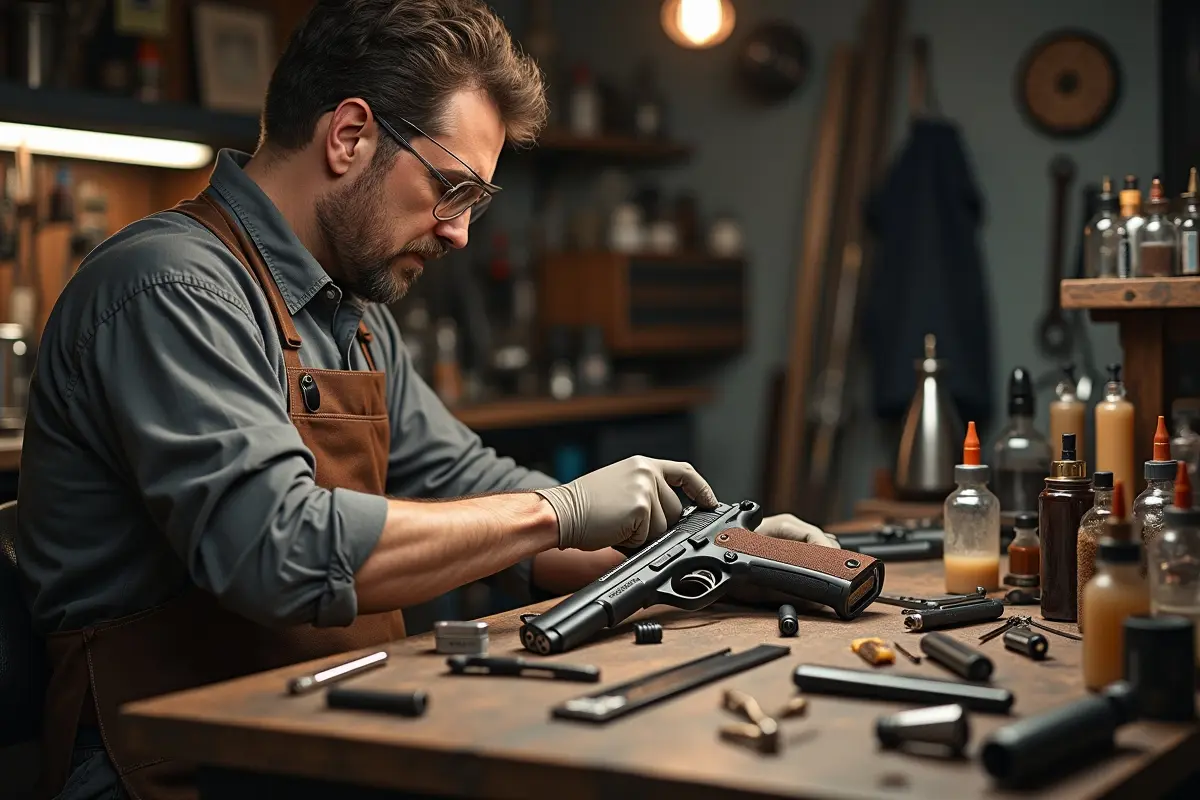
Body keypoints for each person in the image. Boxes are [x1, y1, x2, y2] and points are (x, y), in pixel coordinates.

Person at [15, 2, 838, 798]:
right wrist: (558, 510)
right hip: (163, 759)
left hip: (318, 719)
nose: (459, 233)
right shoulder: (171, 288)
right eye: (453, 189)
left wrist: (714, 556)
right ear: (350, 136)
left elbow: (465, 481)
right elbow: (275, 550)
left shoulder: (354, 315)